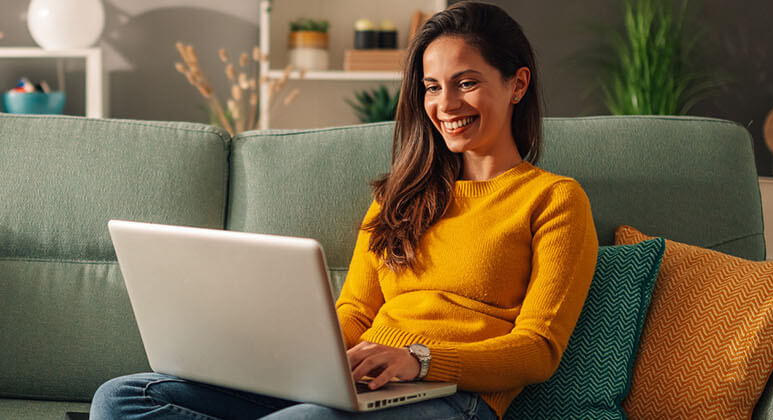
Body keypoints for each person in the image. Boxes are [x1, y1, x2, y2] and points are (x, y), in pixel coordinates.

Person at [90, 2, 598, 419]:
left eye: (466, 83)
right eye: (431, 86)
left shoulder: (553, 199)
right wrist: (296, 360)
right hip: (357, 381)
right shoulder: (399, 196)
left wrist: (417, 361)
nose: (445, 104)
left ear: (518, 84)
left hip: (455, 397)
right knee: (123, 398)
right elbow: (355, 311)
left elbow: (537, 351)